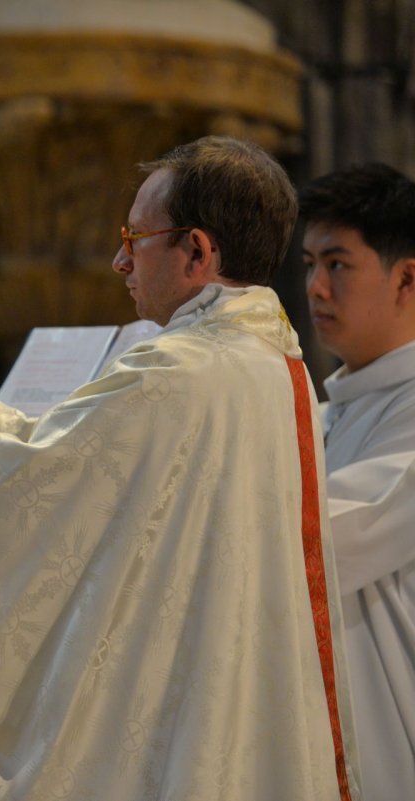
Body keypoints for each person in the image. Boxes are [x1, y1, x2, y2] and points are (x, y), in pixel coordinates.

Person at [0, 136, 361, 800]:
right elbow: (62, 456)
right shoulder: (275, 363)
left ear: (196, 251)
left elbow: (40, 482)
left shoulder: (179, 371)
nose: (118, 261)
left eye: (134, 238)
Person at [300, 163, 415, 801]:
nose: (315, 287)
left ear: (407, 278)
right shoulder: (330, 410)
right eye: (310, 263)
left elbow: (334, 535)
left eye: (337, 265)